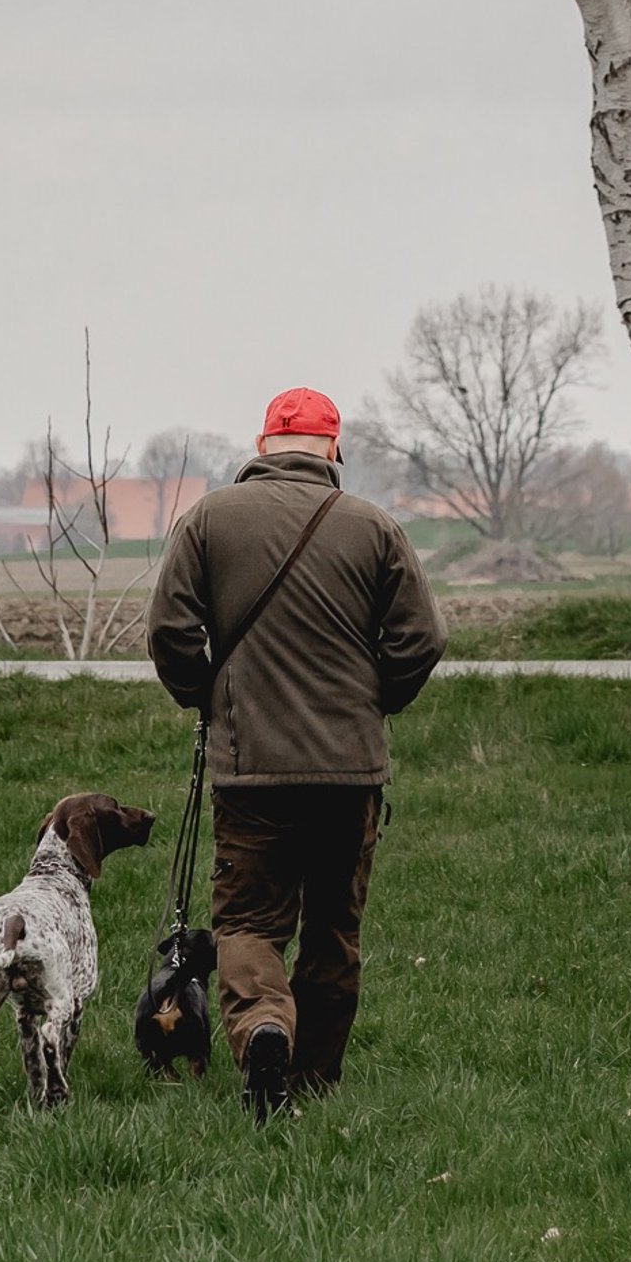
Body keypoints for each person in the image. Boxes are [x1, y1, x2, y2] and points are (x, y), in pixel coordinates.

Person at [146, 387, 447, 1119]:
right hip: (351, 772)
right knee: (334, 930)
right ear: (334, 449)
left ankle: (264, 1031)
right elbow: (422, 641)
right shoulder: (375, 527)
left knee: (250, 923)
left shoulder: (208, 520)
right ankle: (312, 1080)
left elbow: (170, 634)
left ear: (263, 444)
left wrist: (207, 698)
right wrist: (373, 704)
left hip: (253, 771)